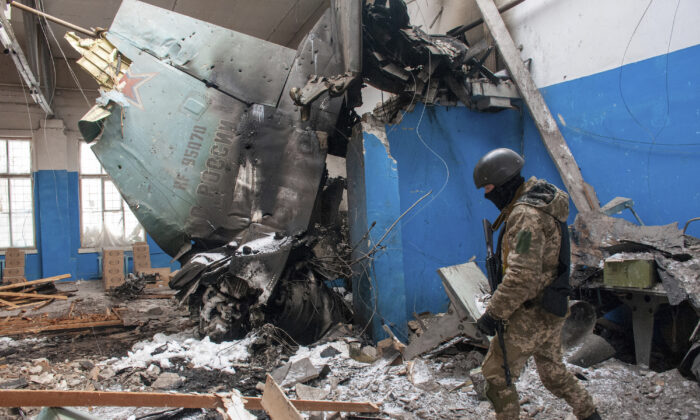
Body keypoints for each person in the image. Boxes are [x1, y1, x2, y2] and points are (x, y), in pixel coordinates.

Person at [473, 148, 601, 420]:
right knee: (553, 373)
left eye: (489, 187)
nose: (487, 194)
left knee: (495, 374)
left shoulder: (526, 215)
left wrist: (494, 314)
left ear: (504, 181)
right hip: (551, 304)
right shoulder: (542, 201)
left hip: (532, 311)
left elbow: (521, 275)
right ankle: (590, 414)